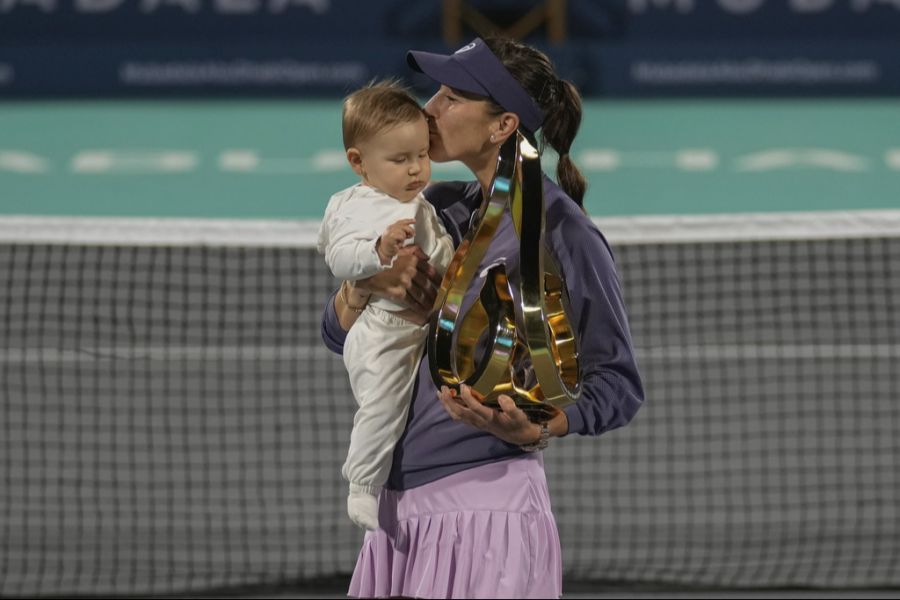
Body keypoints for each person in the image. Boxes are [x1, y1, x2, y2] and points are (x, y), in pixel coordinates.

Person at [321, 38, 644, 599]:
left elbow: (618, 384)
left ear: (502, 125)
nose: (428, 109)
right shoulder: (435, 208)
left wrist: (538, 426)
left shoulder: (562, 233)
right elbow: (333, 334)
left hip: (486, 508)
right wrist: (364, 286)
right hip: (398, 514)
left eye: (450, 97)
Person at [316, 80, 455, 531]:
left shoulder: (415, 200)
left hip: (420, 330)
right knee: (383, 405)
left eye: (421, 155)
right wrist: (377, 254)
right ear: (358, 162)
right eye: (400, 160)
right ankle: (361, 485)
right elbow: (338, 257)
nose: (416, 169)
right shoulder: (364, 208)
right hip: (383, 331)